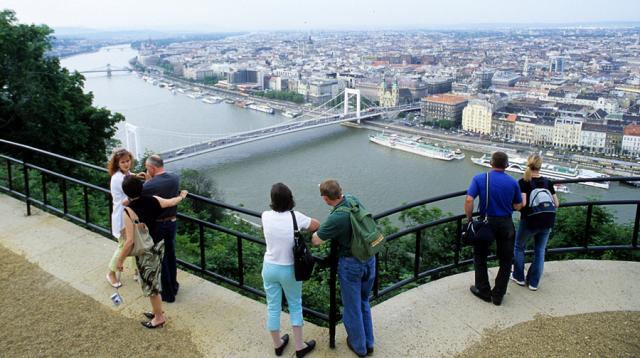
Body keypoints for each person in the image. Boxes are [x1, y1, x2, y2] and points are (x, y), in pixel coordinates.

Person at [311, 179, 375, 358]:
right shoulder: (353, 200)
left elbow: (316, 240)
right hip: (369, 258)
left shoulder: (336, 218)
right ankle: (369, 343)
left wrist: (316, 229)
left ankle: (359, 347)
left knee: (352, 306)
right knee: (363, 301)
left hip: (351, 264)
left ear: (325, 198)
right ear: (341, 191)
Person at [116, 175, 188, 328]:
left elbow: (130, 242)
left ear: (126, 192)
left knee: (151, 285)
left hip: (145, 250)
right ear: (142, 187)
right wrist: (181, 196)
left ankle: (159, 318)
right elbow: (171, 202)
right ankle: (157, 311)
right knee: (154, 278)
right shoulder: (154, 199)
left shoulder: (128, 211)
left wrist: (120, 260)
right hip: (158, 244)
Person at [261, 183, 319, 357]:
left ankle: (278, 344)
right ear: (290, 199)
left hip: (269, 267)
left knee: (272, 307)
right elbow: (316, 225)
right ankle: (300, 346)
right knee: (295, 305)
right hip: (290, 270)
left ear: (272, 200)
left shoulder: (265, 216)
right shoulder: (296, 217)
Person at [464, 151, 523, 306]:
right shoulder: (513, 182)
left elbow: (469, 200)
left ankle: (483, 291)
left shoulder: (480, 179)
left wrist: (469, 219)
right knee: (506, 259)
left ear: (490, 163)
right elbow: (518, 205)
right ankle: (498, 295)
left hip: (486, 222)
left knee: (480, 256)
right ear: (507, 165)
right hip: (506, 223)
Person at [512, 154, 560, 291]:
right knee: (539, 251)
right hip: (547, 220)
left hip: (529, 220)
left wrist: (513, 207)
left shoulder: (523, 182)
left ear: (528, 164)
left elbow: (523, 204)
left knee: (519, 247)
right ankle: (533, 283)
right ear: (540, 166)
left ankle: (519, 277)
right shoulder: (547, 182)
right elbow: (556, 203)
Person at [141, 154, 181, 303]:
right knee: (171, 255)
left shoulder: (149, 186)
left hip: (157, 225)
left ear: (152, 168)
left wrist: (147, 182)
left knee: (161, 258)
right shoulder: (175, 178)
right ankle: (175, 285)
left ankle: (168, 294)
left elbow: (140, 198)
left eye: (147, 168)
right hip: (172, 222)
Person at [106, 148, 137, 288]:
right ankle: (111, 273)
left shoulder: (127, 174)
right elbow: (132, 193)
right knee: (124, 245)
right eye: (123, 162)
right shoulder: (117, 178)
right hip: (122, 216)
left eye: (128, 161)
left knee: (134, 243)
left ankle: (137, 271)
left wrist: (137, 177)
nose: (126, 164)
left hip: (130, 214)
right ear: (117, 163)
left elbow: (131, 181)